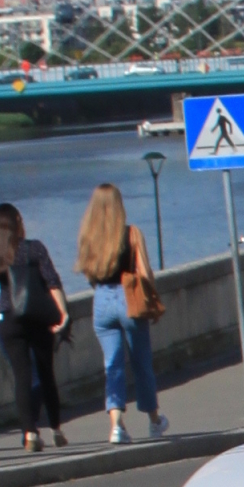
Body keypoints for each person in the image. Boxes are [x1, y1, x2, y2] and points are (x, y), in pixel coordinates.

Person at [77, 181, 168, 448]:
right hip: (129, 298)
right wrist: (151, 302)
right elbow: (144, 272)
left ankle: (116, 425)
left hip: (102, 299)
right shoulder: (132, 234)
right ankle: (154, 420)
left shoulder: (89, 237)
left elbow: (88, 273)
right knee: (141, 363)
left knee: (112, 366)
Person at [0, 201, 70, 449]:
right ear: (17, 224)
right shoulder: (35, 249)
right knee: (46, 373)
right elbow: (52, 281)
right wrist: (62, 312)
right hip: (37, 317)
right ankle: (56, 430)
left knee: (21, 376)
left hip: (8, 317)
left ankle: (29, 433)